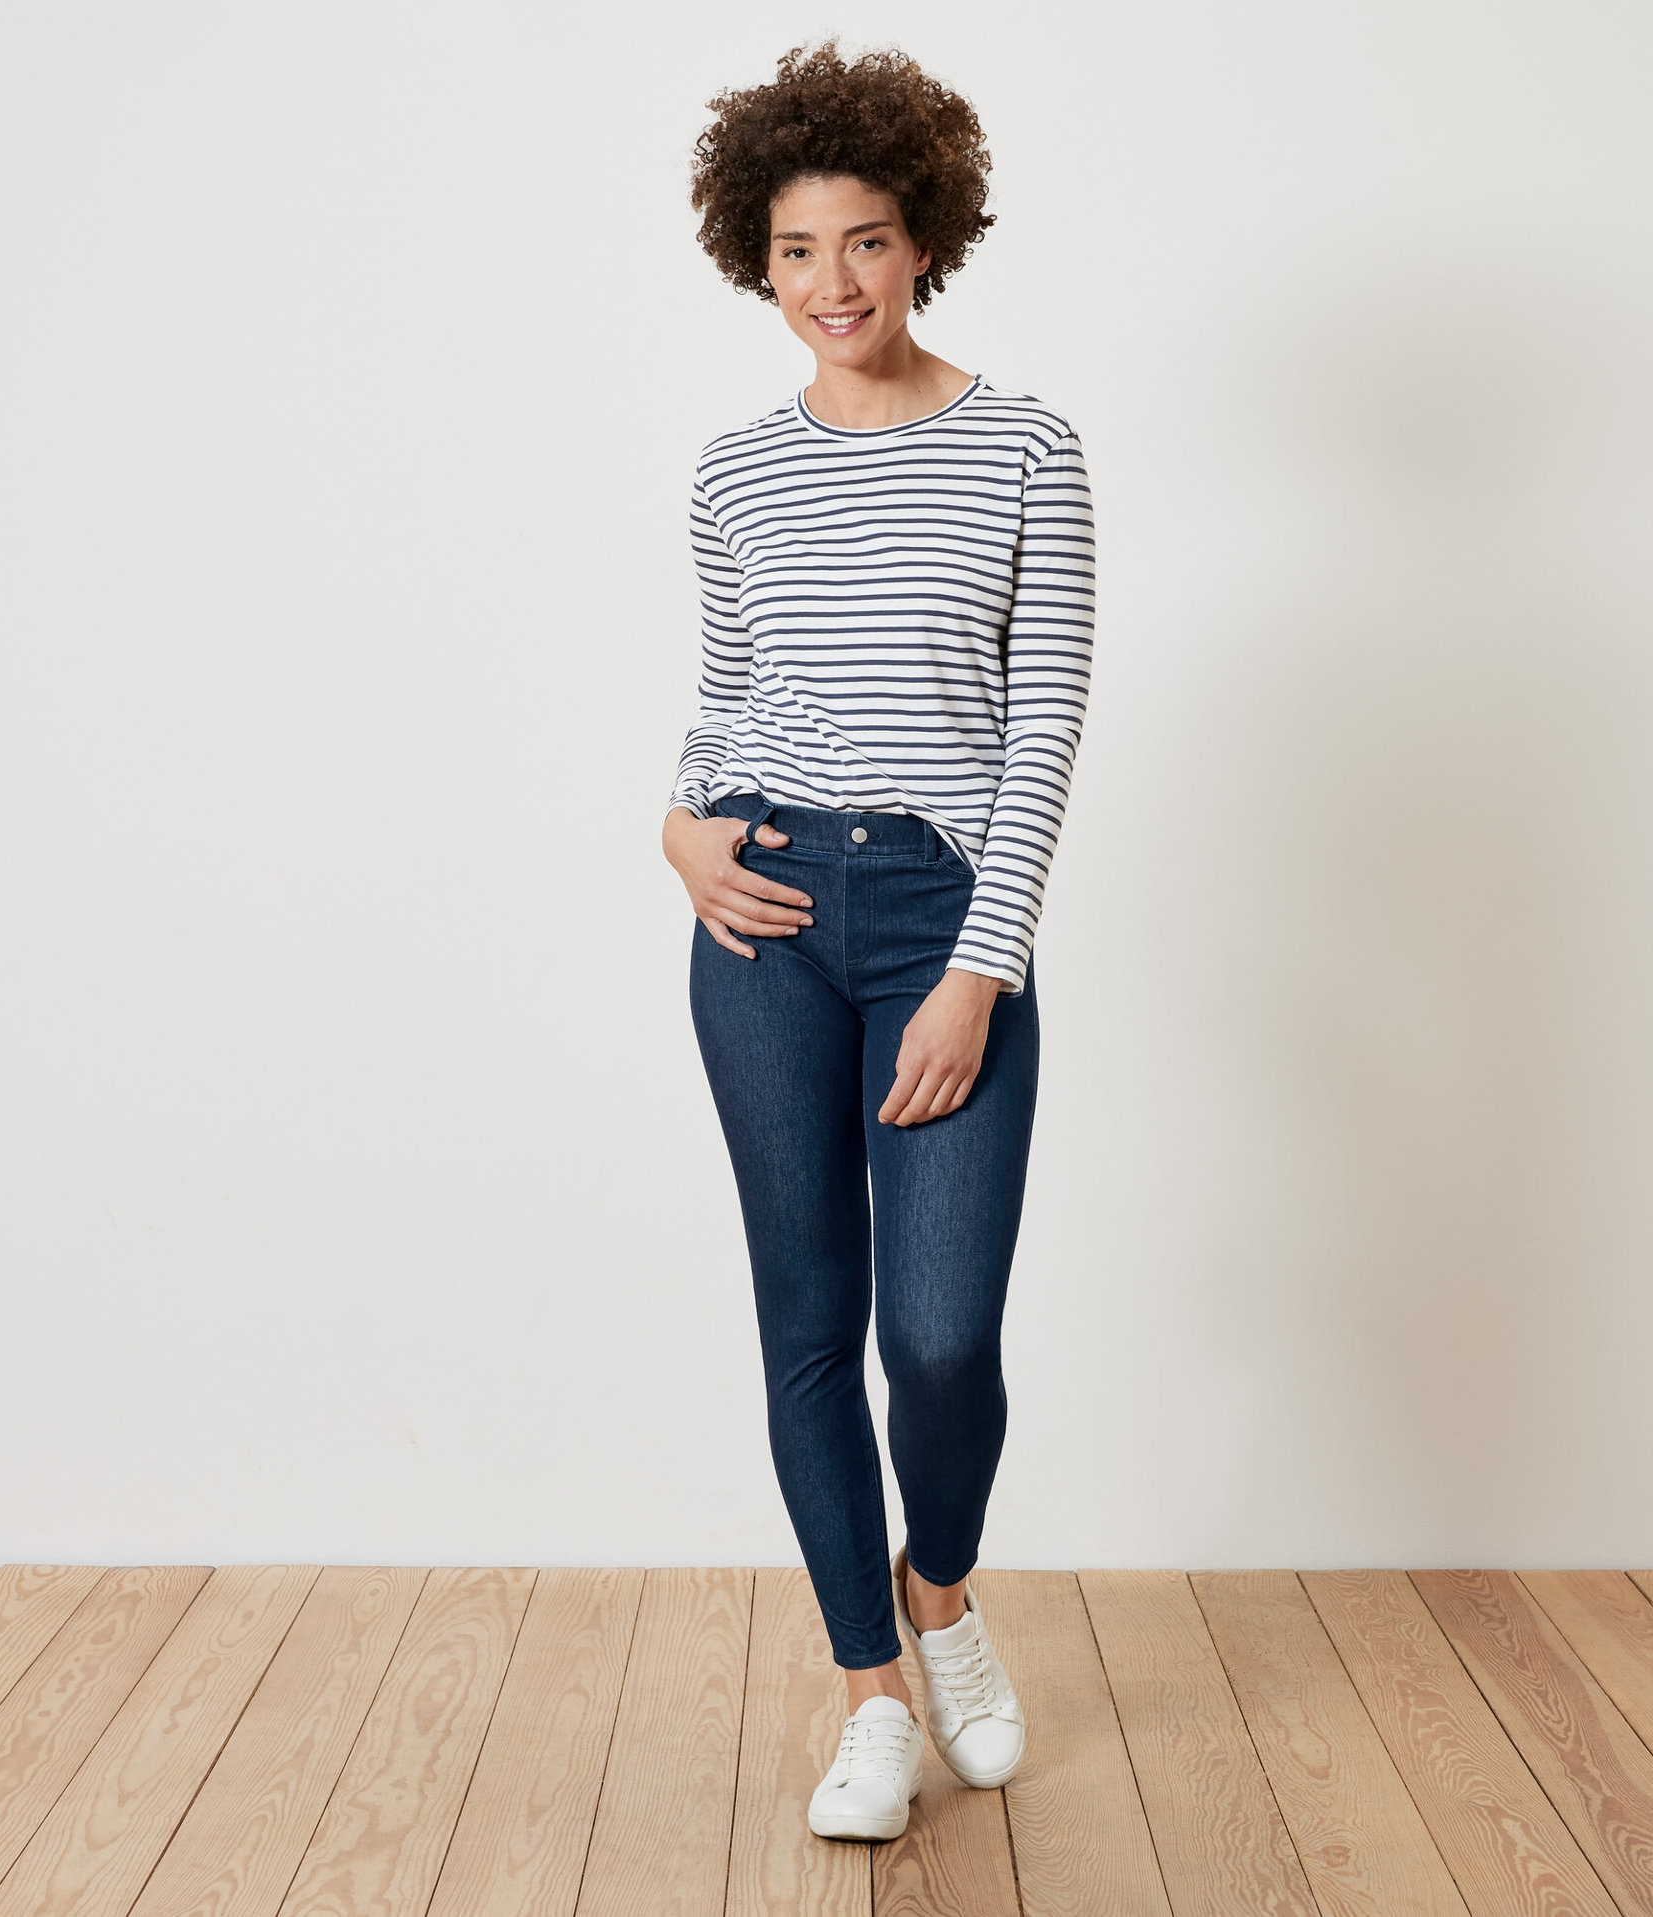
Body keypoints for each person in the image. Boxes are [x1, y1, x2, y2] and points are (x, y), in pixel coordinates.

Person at [663, 42, 1096, 1843]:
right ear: (751, 262)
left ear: (924, 241)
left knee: (936, 1335)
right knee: (802, 1325)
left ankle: (944, 1595)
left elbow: (1041, 729)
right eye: (792, 252)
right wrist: (678, 823)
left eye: (863, 242)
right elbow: (723, 701)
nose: (830, 284)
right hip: (757, 911)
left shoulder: (1024, 448)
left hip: (936, 910)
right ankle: (867, 1695)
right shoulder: (733, 474)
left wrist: (976, 967)